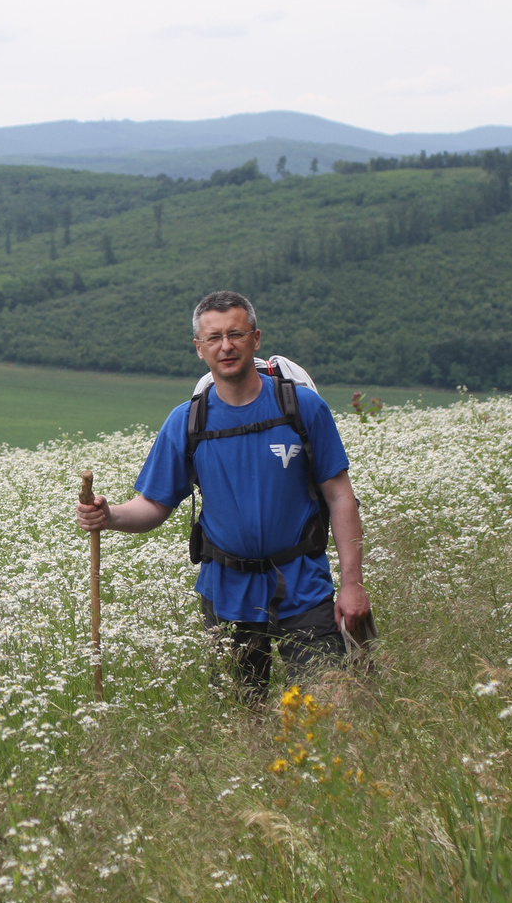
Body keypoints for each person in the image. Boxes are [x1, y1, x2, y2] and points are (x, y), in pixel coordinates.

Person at [74, 290, 370, 704]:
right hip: (225, 595)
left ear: (256, 338)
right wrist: (110, 516)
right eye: (213, 338)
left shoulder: (303, 408)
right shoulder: (187, 421)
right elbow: (154, 505)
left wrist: (353, 585)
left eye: (235, 334)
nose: (225, 346)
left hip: (305, 587)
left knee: (334, 711)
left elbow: (341, 497)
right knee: (241, 722)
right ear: (199, 349)